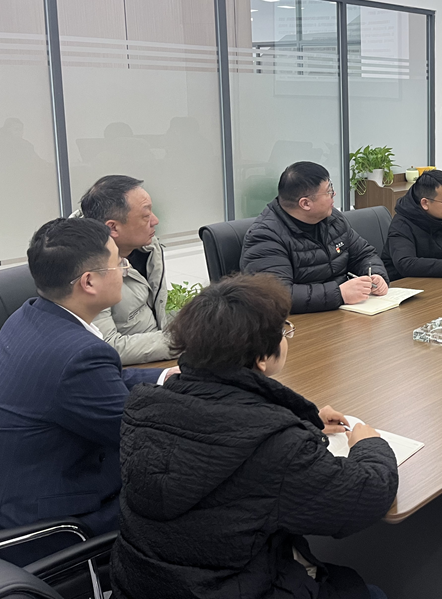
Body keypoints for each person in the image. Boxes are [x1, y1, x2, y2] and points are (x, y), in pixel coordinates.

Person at [110, 273, 396, 599]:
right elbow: (366, 497)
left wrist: (304, 421)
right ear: (261, 358)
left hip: (141, 586)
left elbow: (221, 430)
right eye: (284, 330)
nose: (287, 337)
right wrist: (369, 444)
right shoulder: (276, 444)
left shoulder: (145, 405)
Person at [0, 218, 168, 550]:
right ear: (89, 281)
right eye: (119, 263)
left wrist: (165, 377)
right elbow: (142, 438)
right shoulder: (80, 355)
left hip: (23, 493)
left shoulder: (27, 316)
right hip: (59, 526)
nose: (125, 269)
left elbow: (97, 382)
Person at [241, 161, 390, 313]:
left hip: (345, 311)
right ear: (305, 203)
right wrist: (339, 294)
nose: (334, 194)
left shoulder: (333, 219)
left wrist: (376, 274)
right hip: (303, 321)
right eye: (328, 191)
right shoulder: (265, 236)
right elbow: (277, 296)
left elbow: (363, 254)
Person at [75, 175, 172, 364]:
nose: (155, 221)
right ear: (112, 227)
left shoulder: (148, 247)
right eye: (146, 216)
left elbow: (155, 313)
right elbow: (107, 345)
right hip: (129, 370)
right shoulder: (86, 269)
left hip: (156, 354)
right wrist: (182, 340)